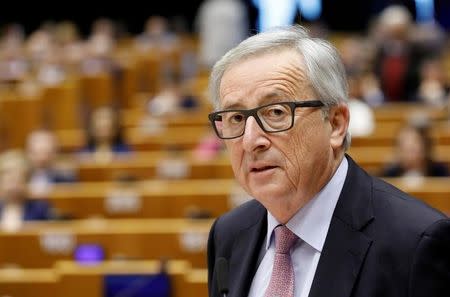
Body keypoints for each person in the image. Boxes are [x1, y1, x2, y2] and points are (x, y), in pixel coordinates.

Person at [206, 25, 450, 297]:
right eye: (236, 118)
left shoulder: (416, 244)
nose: (251, 141)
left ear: (335, 124)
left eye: (276, 112)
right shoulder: (227, 234)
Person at [0, 150, 55, 231]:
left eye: (18, 181)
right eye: (9, 180)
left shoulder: (41, 209)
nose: (13, 186)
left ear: (27, 181)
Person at [380, 123, 449, 177]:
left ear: (425, 146)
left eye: (415, 144)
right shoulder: (390, 174)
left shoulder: (440, 171)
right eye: (404, 145)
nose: (409, 146)